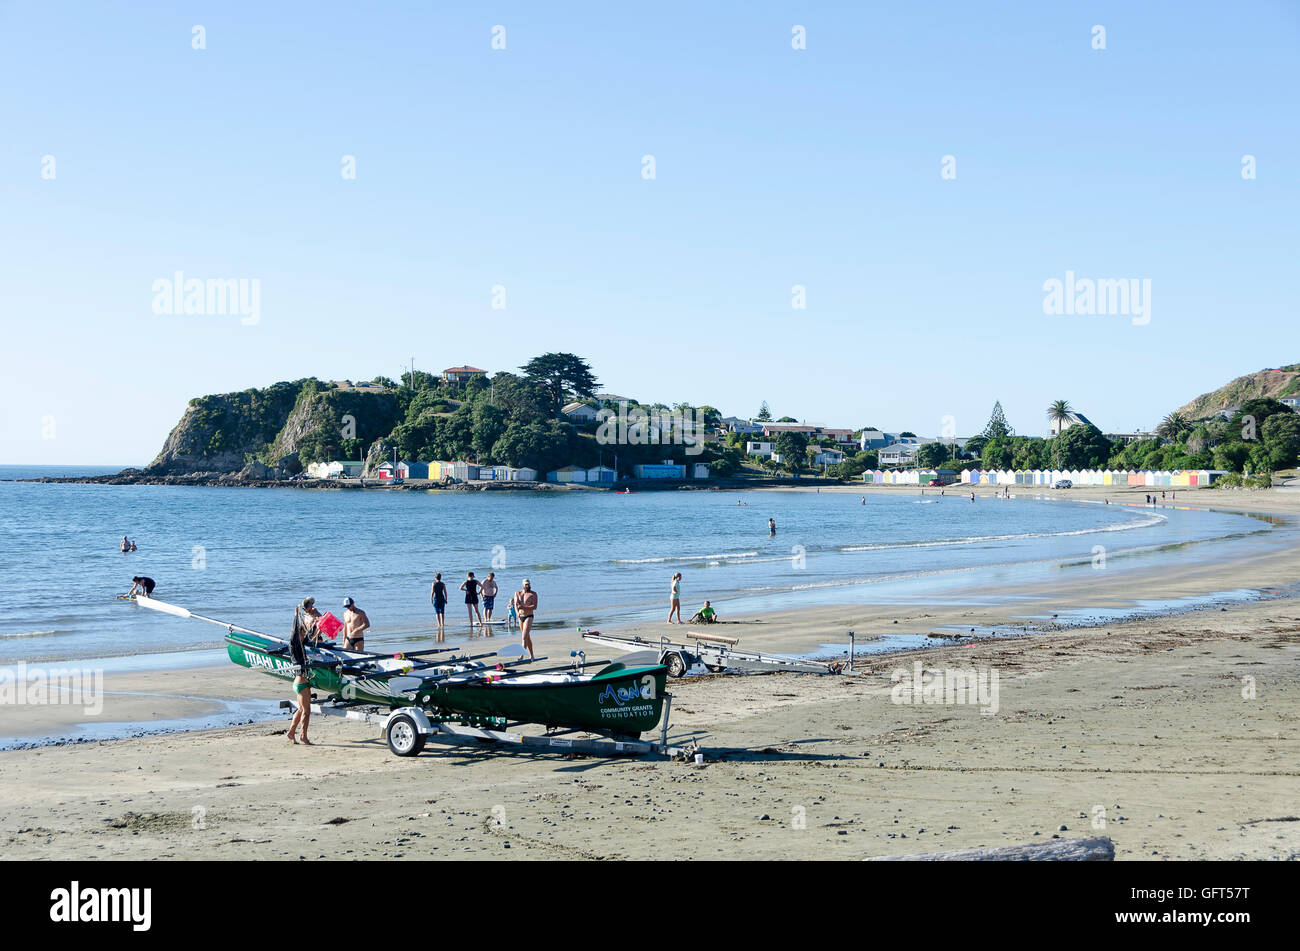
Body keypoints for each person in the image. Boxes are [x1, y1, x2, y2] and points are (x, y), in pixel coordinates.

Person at [286, 609, 313, 746]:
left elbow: (309, 637)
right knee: (307, 711)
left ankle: (291, 732)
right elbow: (294, 631)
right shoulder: (294, 644)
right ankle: (303, 736)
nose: (303, 638)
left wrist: (315, 625)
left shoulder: (301, 645)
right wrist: (296, 617)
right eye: (301, 635)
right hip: (301, 682)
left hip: (301, 682)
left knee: (302, 709)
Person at [512, 579, 538, 659]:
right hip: (521, 617)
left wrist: (523, 607)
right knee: (527, 636)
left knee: (524, 637)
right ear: (523, 585)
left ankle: (521, 655)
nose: (528, 586)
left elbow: (534, 607)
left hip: (529, 616)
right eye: (526, 585)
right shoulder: (517, 593)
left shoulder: (533, 594)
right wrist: (517, 614)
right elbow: (516, 605)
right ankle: (532, 655)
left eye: (529, 584)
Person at [430, 573, 448, 641]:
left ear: (435, 578)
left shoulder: (433, 584)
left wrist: (431, 599)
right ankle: (443, 624)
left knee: (437, 613)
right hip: (442, 599)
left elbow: (432, 592)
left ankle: (438, 624)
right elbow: (445, 592)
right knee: (442, 612)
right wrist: (446, 599)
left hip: (436, 599)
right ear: (440, 578)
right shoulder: (443, 584)